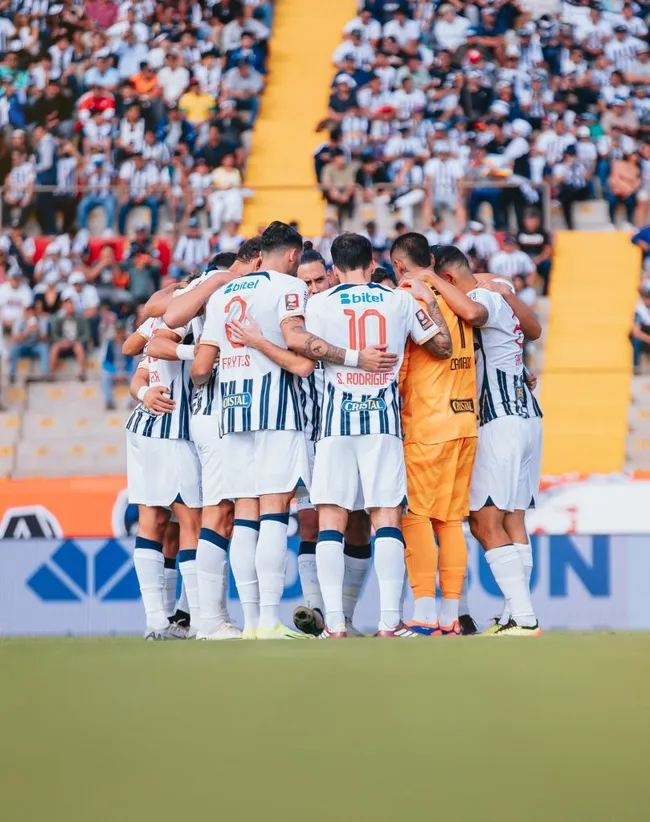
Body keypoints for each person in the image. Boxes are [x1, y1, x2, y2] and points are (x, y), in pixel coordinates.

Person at [294, 232, 452, 638]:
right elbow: (442, 346)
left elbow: (302, 348)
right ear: (371, 262)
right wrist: (428, 300)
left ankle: (333, 624)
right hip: (381, 421)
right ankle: (387, 621)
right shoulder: (398, 300)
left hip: (334, 423)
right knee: (385, 518)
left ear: (333, 270)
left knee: (331, 517)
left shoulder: (317, 303)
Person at [428, 245, 543, 635]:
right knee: (512, 518)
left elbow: (475, 313)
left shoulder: (478, 297)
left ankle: (524, 618)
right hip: (527, 413)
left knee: (483, 518)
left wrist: (427, 281)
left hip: (500, 419)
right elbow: (534, 331)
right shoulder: (498, 292)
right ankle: (515, 613)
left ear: (447, 279)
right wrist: (508, 292)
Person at [390, 232, 478, 636]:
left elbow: (400, 370)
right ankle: (449, 617)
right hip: (465, 421)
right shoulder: (454, 295)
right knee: (451, 520)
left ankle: (423, 613)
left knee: (416, 517)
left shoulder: (409, 298)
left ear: (401, 265)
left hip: (428, 423)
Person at [125, 314, 202, 640]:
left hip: (149, 429)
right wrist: (199, 352)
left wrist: (143, 394)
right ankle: (200, 620)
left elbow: (136, 363)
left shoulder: (165, 314)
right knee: (191, 522)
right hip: (170, 431)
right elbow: (145, 354)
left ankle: (162, 620)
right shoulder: (184, 318)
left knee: (161, 525)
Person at [49, 298, 91, 381]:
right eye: (67, 307)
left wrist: (76, 340)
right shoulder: (59, 319)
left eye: (71, 307)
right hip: (63, 343)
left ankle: (82, 372)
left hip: (75, 342)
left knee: (79, 347)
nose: (70, 309)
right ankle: (51, 373)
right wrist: (61, 340)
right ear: (64, 307)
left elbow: (86, 334)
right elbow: (54, 334)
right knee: (54, 348)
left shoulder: (80, 319)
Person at [9, 303, 49, 382]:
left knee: (44, 347)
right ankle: (12, 373)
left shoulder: (41, 320)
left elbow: (44, 339)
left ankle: (45, 373)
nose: (30, 313)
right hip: (22, 346)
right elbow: (16, 339)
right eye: (28, 311)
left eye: (32, 311)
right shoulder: (19, 321)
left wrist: (38, 329)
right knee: (14, 348)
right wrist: (27, 331)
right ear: (25, 312)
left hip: (35, 346)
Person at [99, 321, 135, 410]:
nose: (119, 334)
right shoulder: (109, 343)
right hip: (113, 371)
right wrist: (115, 372)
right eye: (117, 332)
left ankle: (131, 402)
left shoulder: (129, 342)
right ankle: (109, 401)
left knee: (135, 378)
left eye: (121, 332)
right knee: (105, 377)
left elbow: (132, 361)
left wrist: (125, 372)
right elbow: (105, 361)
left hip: (126, 370)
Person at [631, 280, 650, 373]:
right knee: (636, 341)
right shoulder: (640, 309)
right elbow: (636, 332)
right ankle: (636, 368)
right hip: (644, 340)